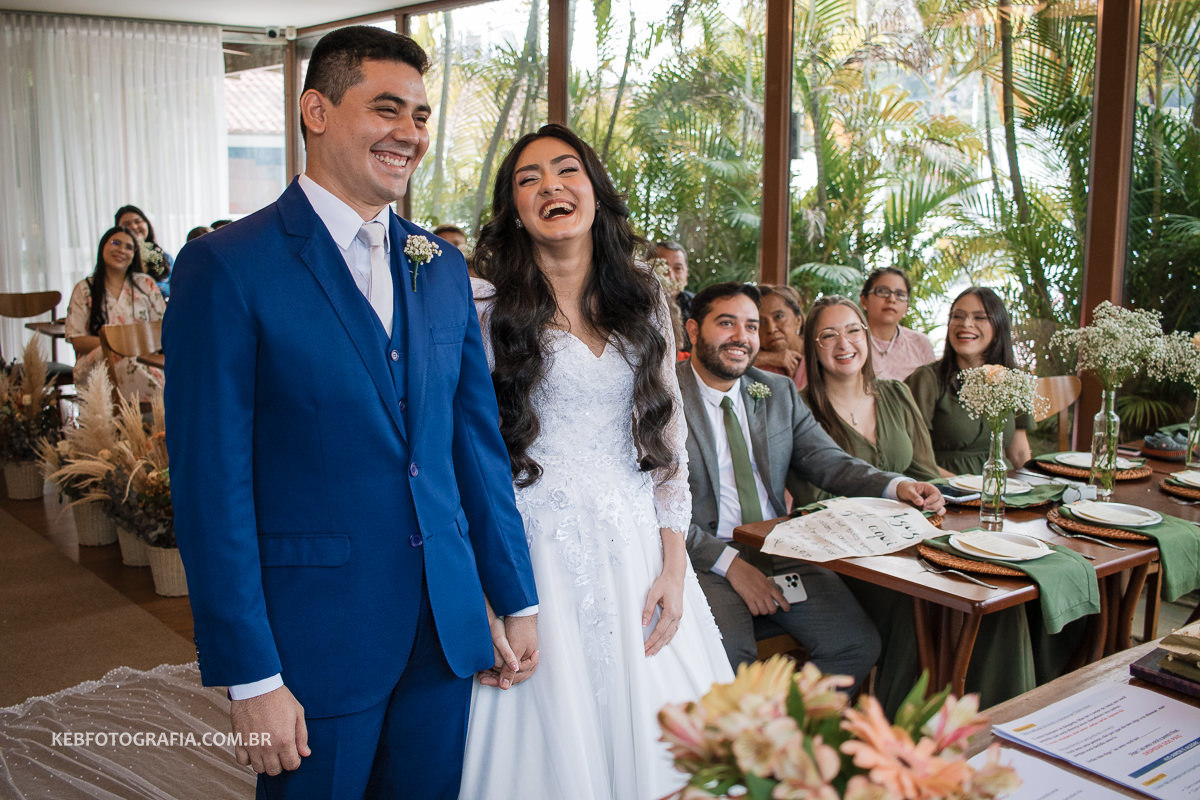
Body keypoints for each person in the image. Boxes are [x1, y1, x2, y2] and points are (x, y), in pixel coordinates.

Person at [163, 27, 537, 799]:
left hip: (444, 632)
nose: (411, 134)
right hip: (313, 643)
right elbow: (212, 487)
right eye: (388, 109)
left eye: (423, 117)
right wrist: (251, 673)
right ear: (317, 111)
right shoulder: (228, 267)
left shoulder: (440, 268)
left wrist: (512, 595)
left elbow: (473, 447)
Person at [459, 124, 732, 800]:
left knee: (678, 763)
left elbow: (667, 451)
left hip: (640, 553)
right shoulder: (484, 307)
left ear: (595, 192)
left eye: (566, 170)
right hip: (536, 552)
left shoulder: (644, 300)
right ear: (514, 208)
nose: (550, 185)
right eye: (528, 179)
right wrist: (491, 591)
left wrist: (674, 565)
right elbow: (469, 456)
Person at [677, 282, 945, 687]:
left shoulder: (776, 391)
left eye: (751, 326)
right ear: (694, 331)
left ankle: (790, 736)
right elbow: (650, 505)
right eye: (726, 323)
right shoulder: (663, 395)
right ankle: (740, 745)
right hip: (701, 557)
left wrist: (895, 486)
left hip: (777, 547)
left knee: (856, 645)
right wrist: (730, 564)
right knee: (733, 663)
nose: (742, 337)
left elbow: (827, 461)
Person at [793, 295, 939, 505]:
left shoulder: (897, 394)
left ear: (866, 336)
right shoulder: (797, 409)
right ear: (813, 348)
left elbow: (926, 476)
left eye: (853, 331)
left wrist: (929, 500)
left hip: (909, 526)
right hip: (835, 530)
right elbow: (813, 499)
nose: (843, 344)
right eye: (828, 336)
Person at [906, 286, 1033, 476]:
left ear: (998, 327)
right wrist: (969, 489)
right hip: (943, 490)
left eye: (980, 317)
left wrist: (1029, 489)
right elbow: (913, 456)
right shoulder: (926, 380)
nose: (966, 324)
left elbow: (1019, 452)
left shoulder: (1014, 381)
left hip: (1000, 490)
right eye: (957, 316)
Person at [64, 225, 165, 399]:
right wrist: (119, 345)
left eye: (129, 247)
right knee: (125, 361)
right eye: (115, 243)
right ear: (103, 246)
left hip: (143, 358)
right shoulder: (84, 288)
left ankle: (153, 417)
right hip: (99, 360)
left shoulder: (145, 285)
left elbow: (163, 328)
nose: (121, 250)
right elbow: (78, 340)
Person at [860, 267, 935, 381]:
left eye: (900, 294)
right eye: (882, 291)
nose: (891, 299)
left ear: (906, 307)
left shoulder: (920, 343)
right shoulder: (851, 342)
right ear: (864, 301)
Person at [755, 284, 806, 391]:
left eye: (779, 316)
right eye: (761, 322)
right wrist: (770, 358)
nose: (771, 329)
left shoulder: (820, 354)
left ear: (798, 320)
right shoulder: (752, 360)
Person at [115, 204, 173, 297]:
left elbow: (177, 288)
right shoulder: (117, 258)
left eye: (138, 221)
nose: (134, 227)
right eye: (126, 224)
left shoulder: (165, 257)